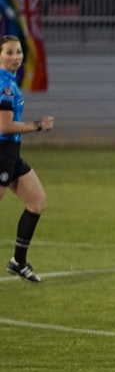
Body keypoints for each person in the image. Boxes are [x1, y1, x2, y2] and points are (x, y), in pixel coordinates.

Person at [0, 35, 55, 283]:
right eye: (9, 52)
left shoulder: (10, 82)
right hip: (2, 153)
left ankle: (18, 262)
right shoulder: (5, 86)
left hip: (12, 154)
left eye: (19, 52)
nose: (16, 57)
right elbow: (5, 126)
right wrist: (38, 126)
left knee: (37, 202)